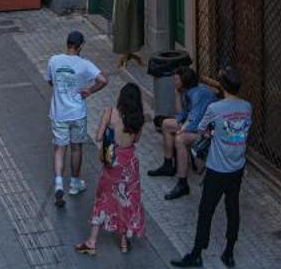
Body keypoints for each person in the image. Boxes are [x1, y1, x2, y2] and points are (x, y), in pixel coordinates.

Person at [171, 68, 251, 269]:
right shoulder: (247, 107)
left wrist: (211, 133)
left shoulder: (216, 108)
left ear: (222, 86)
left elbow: (201, 129)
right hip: (237, 167)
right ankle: (229, 252)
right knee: (232, 210)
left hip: (217, 169)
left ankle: (197, 253)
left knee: (206, 211)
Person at [76, 84, 147, 255]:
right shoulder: (139, 119)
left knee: (103, 198)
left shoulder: (110, 113)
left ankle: (91, 241)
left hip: (112, 162)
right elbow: (136, 140)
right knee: (126, 199)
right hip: (129, 163)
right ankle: (124, 241)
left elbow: (98, 136)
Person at [45, 30, 107, 209]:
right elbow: (103, 79)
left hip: (58, 113)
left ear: (67, 44)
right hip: (77, 113)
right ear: (80, 46)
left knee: (59, 148)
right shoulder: (85, 64)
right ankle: (74, 183)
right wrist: (90, 90)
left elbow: (50, 82)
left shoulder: (54, 60)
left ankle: (58, 183)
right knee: (76, 148)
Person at [149, 65, 215, 198]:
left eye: (176, 80)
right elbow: (181, 115)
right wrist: (177, 94)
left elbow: (194, 123)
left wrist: (181, 131)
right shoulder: (186, 92)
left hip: (207, 133)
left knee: (180, 139)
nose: (174, 82)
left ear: (184, 81)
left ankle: (182, 183)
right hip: (197, 127)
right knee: (166, 124)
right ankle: (168, 165)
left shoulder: (198, 95)